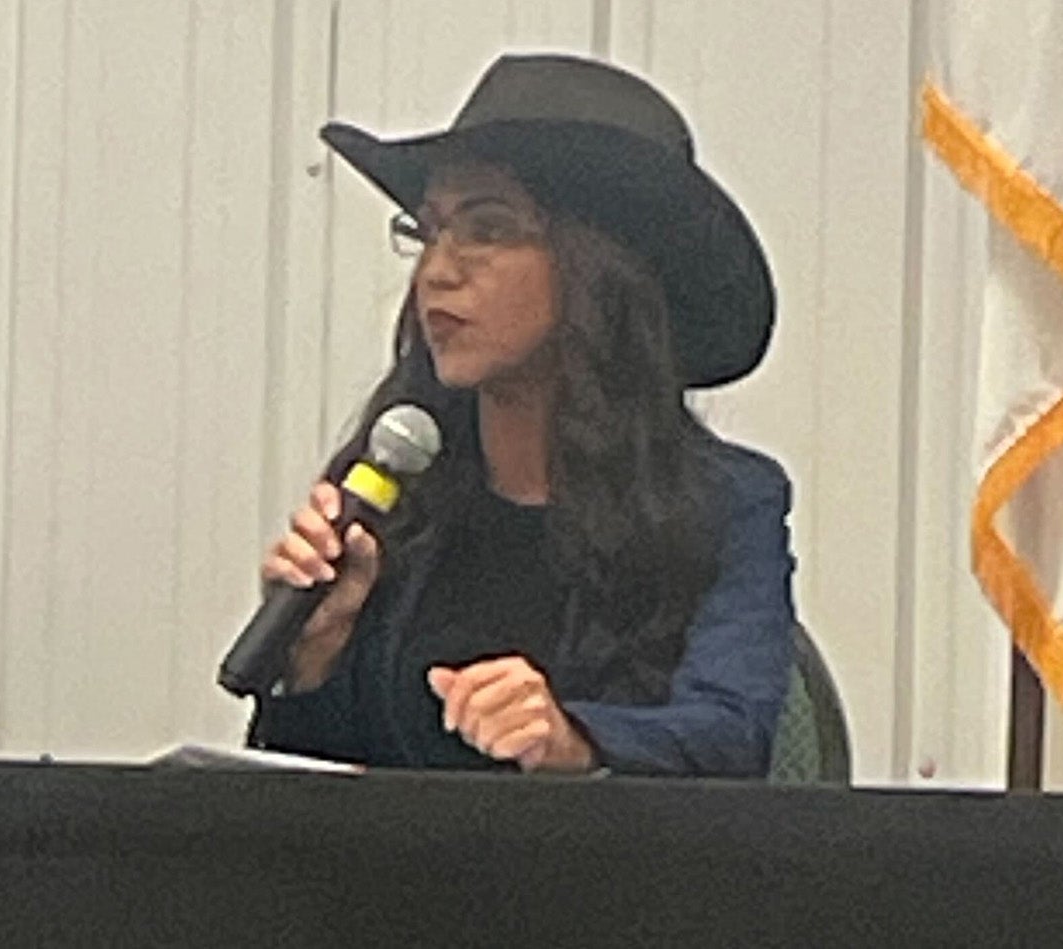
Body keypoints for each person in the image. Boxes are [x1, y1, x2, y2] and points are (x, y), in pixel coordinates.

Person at [249, 52, 794, 777]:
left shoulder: (728, 502)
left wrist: (572, 741)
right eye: (427, 230)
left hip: (614, 885)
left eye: (487, 227)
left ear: (598, 271)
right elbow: (309, 804)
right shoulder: (397, 482)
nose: (437, 270)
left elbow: (733, 734)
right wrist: (312, 661)